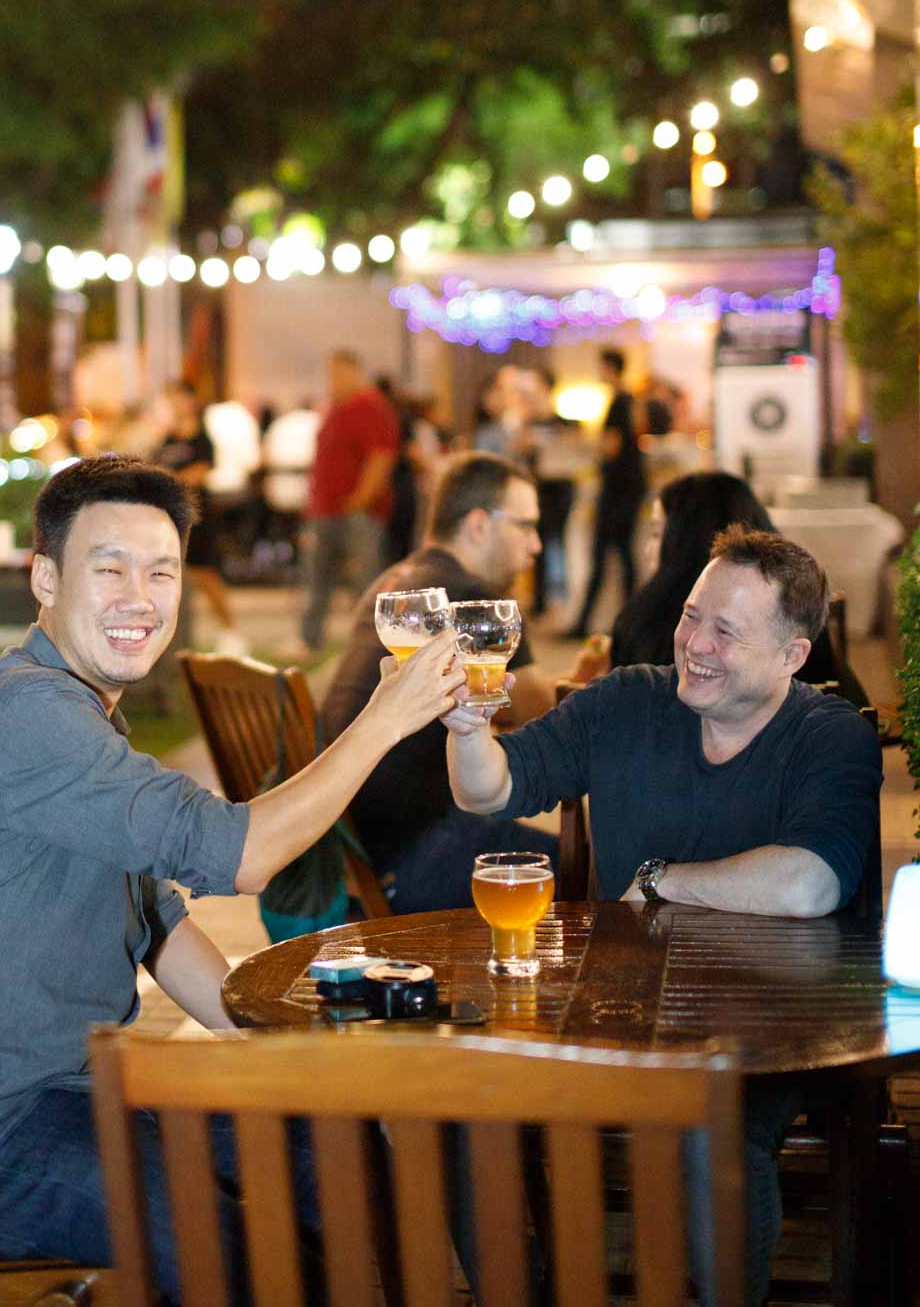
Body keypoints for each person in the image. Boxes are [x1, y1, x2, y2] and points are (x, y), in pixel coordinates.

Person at [0, 454, 462, 1297]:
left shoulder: (78, 714)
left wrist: (268, 1051)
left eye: (161, 572)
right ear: (45, 579)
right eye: (108, 569)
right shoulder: (25, 714)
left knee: (330, 1143)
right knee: (236, 1250)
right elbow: (240, 855)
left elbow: (160, 925)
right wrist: (383, 721)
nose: (140, 598)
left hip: (86, 1093)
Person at [443, 525, 882, 1305]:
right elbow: (490, 790)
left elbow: (810, 883)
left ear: (792, 655)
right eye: (690, 615)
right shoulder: (627, 701)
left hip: (776, 1027)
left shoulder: (831, 735)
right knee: (465, 1105)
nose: (695, 644)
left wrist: (657, 881)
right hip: (622, 1012)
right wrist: (468, 725)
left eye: (726, 631)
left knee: (711, 1129)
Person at [323, 452, 561, 913]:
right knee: (589, 868)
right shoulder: (473, 601)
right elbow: (533, 704)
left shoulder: (396, 582)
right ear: (479, 524)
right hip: (417, 851)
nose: (535, 545)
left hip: (355, 848)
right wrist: (595, 685)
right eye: (525, 526)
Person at [605, 469, 866, 704]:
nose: (697, 646)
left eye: (655, 533)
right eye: (691, 616)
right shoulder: (797, 606)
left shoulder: (648, 624)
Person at [299, 349, 400, 653]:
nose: (333, 380)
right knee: (317, 578)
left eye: (339, 373)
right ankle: (310, 639)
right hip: (326, 509)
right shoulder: (336, 408)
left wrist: (361, 499)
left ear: (355, 372)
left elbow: (381, 456)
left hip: (356, 512)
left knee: (365, 581)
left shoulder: (370, 406)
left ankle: (370, 645)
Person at [153, 379, 245, 652]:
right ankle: (177, 639)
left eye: (178, 397)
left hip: (196, 515)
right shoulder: (167, 438)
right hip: (171, 517)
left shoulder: (201, 437)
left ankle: (231, 631)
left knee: (206, 575)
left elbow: (200, 472)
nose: (174, 404)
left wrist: (171, 481)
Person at [569, 346, 646, 637]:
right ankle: (630, 620)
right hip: (628, 488)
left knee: (606, 555)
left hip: (618, 489)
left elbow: (612, 447)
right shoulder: (630, 400)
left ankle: (589, 622)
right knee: (622, 556)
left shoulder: (619, 402)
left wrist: (587, 444)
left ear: (610, 368)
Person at [524, 367, 584, 616]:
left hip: (560, 488)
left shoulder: (564, 423)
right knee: (539, 542)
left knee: (558, 543)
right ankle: (541, 601)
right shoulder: (529, 424)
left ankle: (558, 598)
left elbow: (577, 452)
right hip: (540, 487)